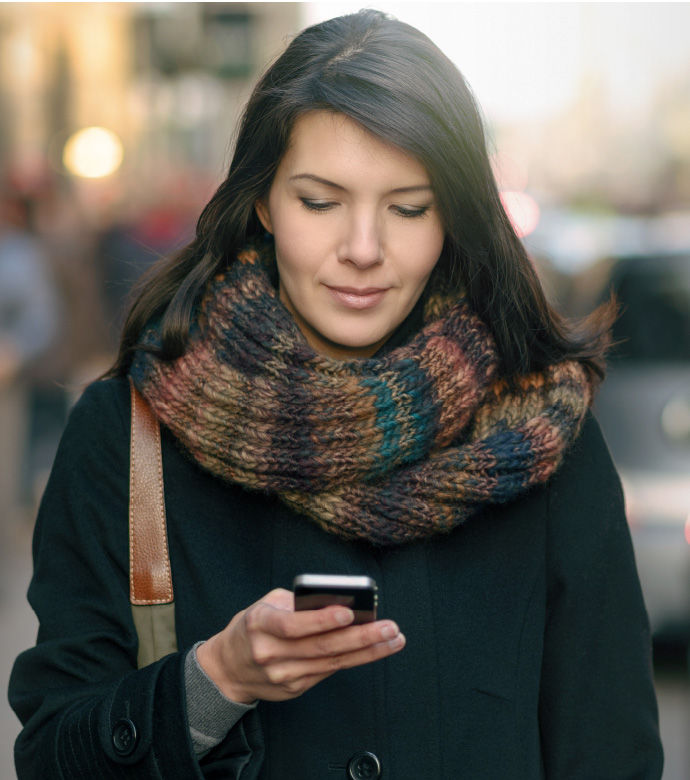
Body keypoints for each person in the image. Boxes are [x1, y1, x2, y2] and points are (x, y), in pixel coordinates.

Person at [8, 9, 663, 779]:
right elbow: (53, 753)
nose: (362, 249)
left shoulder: (544, 437)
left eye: (408, 208)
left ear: (452, 215)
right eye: (320, 202)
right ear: (263, 202)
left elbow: (611, 754)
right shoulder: (126, 437)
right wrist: (214, 683)